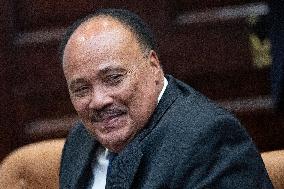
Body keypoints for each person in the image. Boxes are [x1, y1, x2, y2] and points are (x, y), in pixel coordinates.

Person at [59, 9, 273, 189]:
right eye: (81, 89)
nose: (98, 101)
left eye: (114, 78)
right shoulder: (80, 139)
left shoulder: (208, 138)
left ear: (153, 67)